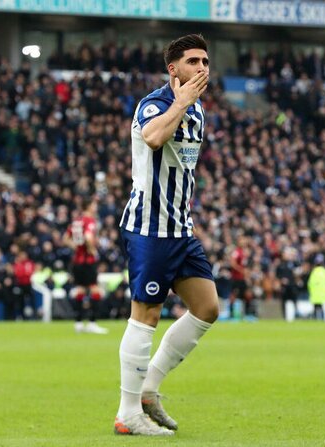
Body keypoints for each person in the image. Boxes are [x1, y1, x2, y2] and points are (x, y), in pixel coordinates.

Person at [114, 34, 218, 437]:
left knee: (207, 308)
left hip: (180, 229)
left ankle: (149, 389)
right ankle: (127, 414)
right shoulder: (155, 104)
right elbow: (154, 138)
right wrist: (179, 103)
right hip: (149, 228)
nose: (202, 68)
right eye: (193, 61)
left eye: (206, 61)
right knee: (146, 315)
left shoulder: (197, 113)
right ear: (173, 69)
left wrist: (187, 106)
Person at [64, 198, 108, 334]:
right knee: (95, 290)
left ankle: (78, 323)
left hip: (77, 261)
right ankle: (92, 323)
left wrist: (76, 248)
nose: (96, 207)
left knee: (81, 290)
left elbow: (65, 238)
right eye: (94, 204)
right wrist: (92, 250)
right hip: (87, 262)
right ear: (88, 206)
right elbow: (89, 237)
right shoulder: (90, 221)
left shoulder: (77, 221)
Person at [308, 254, 325, 320]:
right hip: (323, 294)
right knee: (321, 307)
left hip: (314, 294)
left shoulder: (314, 272)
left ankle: (315, 319)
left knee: (315, 307)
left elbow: (309, 283)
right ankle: (322, 318)